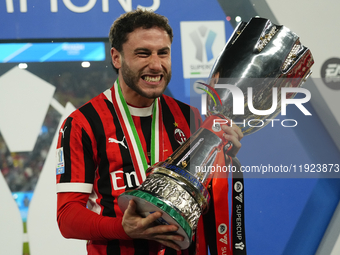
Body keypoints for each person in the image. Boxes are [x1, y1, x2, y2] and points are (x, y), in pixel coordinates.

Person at [56, 9, 243, 255]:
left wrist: (222, 159)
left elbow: (202, 201)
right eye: (143, 53)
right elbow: (67, 218)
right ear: (116, 58)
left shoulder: (192, 118)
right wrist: (124, 229)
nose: (156, 65)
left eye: (163, 53)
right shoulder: (83, 123)